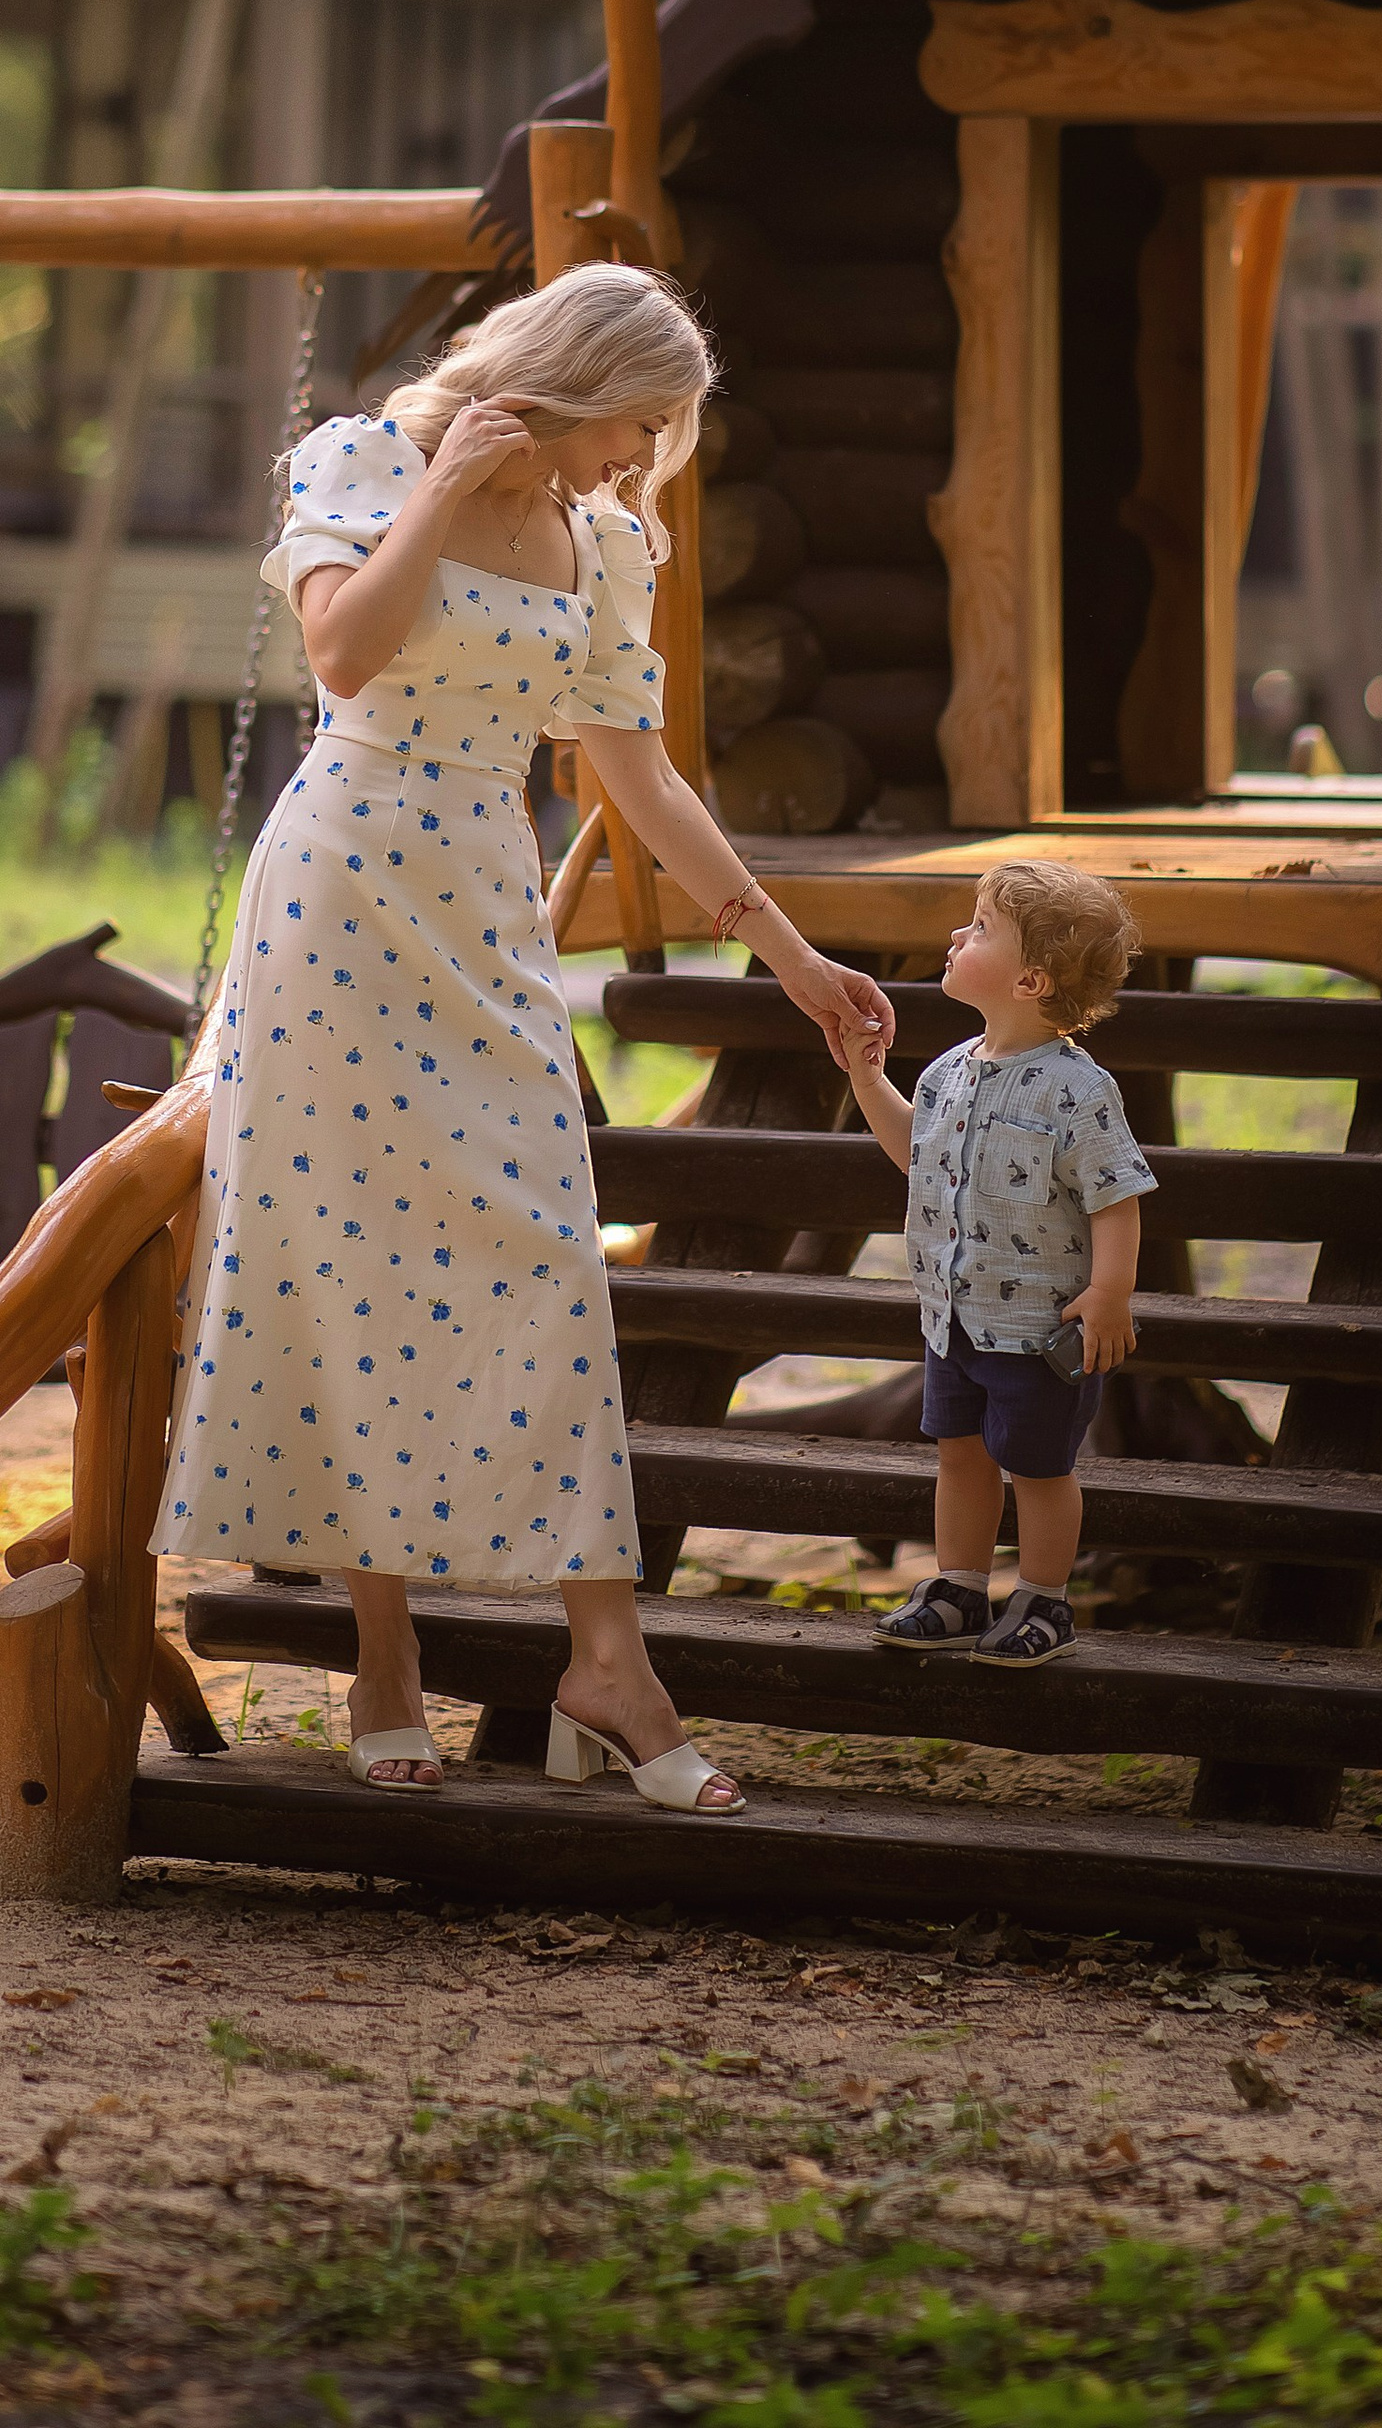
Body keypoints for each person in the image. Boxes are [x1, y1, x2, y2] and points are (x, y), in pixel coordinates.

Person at [154, 263, 897, 1811]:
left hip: (483, 906)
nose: (641, 463)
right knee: (347, 1262)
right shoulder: (361, 459)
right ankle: (386, 1661)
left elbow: (644, 778)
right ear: (564, 380)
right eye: (633, 426)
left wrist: (796, 961)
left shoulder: (607, 542)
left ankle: (606, 1661)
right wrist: (447, 484)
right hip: (337, 893)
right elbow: (348, 653)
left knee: (547, 1251)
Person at [831, 863, 1154, 1668]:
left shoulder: (1078, 1089)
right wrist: (867, 1079)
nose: (955, 935)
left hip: (1039, 1323)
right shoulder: (947, 1072)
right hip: (953, 1313)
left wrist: (1110, 1292)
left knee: (1040, 1468)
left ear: (1031, 978)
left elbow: (1116, 1195)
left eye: (977, 928)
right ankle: (959, 1586)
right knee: (959, 1454)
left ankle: (1044, 1599)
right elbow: (915, 1152)